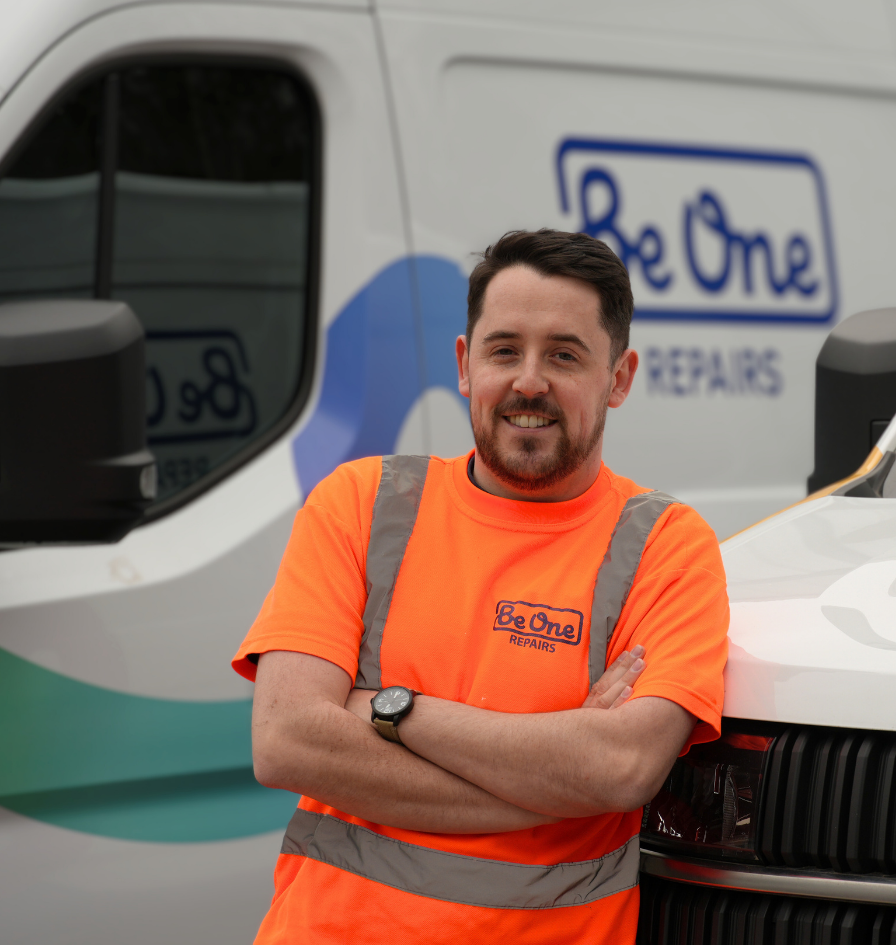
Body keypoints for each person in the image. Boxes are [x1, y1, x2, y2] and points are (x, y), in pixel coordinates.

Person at [230, 229, 729, 944]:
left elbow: (620, 767)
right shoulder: (363, 502)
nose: (528, 380)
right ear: (465, 365)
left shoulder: (666, 545)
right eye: (504, 350)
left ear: (618, 378)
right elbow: (286, 741)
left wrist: (391, 710)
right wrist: (552, 783)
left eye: (564, 353)